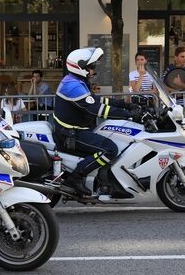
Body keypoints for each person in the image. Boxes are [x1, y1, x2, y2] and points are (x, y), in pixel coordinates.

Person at [53, 47, 142, 196]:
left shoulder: (77, 81)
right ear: (80, 67)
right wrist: (128, 115)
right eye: (91, 66)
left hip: (76, 129)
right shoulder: (73, 86)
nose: (93, 69)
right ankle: (76, 177)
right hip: (71, 134)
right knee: (110, 149)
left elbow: (97, 100)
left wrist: (125, 104)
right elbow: (96, 109)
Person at [162, 46, 185, 126]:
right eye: (182, 56)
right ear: (175, 57)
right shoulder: (169, 69)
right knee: (172, 129)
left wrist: (180, 84)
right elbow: (162, 84)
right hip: (171, 105)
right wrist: (173, 91)